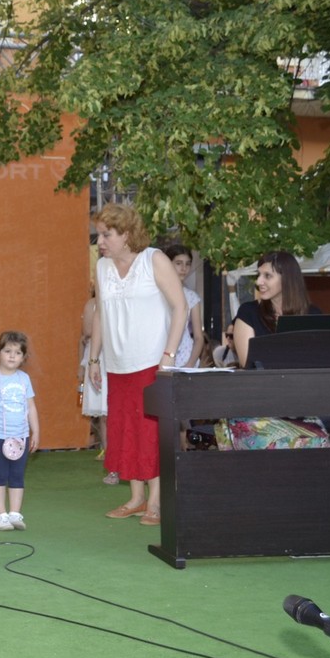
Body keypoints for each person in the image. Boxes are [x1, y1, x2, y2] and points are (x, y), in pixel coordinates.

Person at [89, 204, 187, 527]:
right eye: (99, 235)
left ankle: (156, 503)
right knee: (124, 430)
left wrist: (168, 355)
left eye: (107, 234)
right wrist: (94, 358)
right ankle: (135, 499)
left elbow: (181, 307)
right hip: (117, 364)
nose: (100, 241)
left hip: (151, 362)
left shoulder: (153, 260)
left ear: (127, 234)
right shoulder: (102, 267)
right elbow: (101, 314)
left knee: (149, 433)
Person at [0, 331, 39, 531]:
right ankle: (1, 514)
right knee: (0, 474)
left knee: (17, 475)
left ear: (23, 357)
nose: (12, 356)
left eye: (17, 353)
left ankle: (15, 513)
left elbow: (30, 407)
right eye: (7, 351)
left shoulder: (24, 379)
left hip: (21, 436)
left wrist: (35, 432)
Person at [232, 250, 320, 367]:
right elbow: (248, 365)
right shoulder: (249, 312)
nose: (258, 282)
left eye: (267, 276)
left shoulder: (313, 314)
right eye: (258, 275)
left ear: (287, 279)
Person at [78, 292, 111, 481]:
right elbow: (86, 333)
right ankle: (109, 455)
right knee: (104, 412)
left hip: (118, 356)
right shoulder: (92, 303)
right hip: (99, 357)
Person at [163, 244, 204, 367]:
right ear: (167, 264)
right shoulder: (157, 294)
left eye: (188, 264)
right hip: (159, 355)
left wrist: (190, 364)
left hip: (186, 358)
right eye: (178, 263)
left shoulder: (191, 297)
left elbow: (199, 337)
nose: (184, 268)